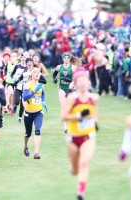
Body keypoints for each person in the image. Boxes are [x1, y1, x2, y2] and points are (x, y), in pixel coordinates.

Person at [61, 68, 99, 200]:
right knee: (75, 169)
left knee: (84, 163)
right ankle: (73, 167)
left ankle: (80, 192)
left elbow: (93, 114)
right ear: (76, 83)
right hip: (73, 137)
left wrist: (94, 124)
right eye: (80, 81)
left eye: (85, 81)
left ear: (88, 82)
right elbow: (63, 117)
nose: (83, 84)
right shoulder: (72, 98)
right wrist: (78, 116)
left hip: (88, 136)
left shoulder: (93, 98)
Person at [22, 68, 48, 159]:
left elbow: (42, 94)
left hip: (38, 112)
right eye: (35, 72)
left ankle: (36, 153)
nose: (37, 74)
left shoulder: (41, 85)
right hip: (28, 113)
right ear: (31, 75)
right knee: (28, 134)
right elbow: (24, 97)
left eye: (38, 72)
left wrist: (43, 101)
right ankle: (25, 146)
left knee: (37, 130)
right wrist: (33, 92)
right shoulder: (27, 85)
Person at [53, 52, 78, 133]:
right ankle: (65, 126)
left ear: (70, 59)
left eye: (68, 58)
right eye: (65, 58)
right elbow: (54, 74)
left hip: (70, 88)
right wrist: (54, 79)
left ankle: (73, 123)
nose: (66, 59)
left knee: (71, 106)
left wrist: (70, 81)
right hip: (61, 88)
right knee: (63, 106)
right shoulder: (59, 67)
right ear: (62, 59)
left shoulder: (73, 68)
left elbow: (76, 78)